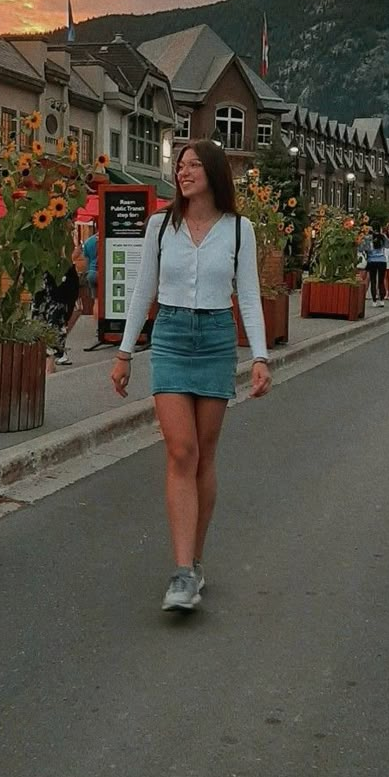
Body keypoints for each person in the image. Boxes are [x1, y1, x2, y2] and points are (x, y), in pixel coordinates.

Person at [111, 139, 271, 613]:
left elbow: (250, 295)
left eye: (194, 165)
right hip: (173, 336)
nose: (184, 172)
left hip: (218, 338)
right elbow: (144, 290)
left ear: (215, 172)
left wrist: (260, 356)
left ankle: (196, 561)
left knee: (204, 456)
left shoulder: (240, 230)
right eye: (180, 166)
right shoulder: (161, 226)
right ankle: (181, 573)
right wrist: (124, 353)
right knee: (181, 451)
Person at [32, 262, 80, 367]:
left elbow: (73, 288)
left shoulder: (63, 264)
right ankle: (52, 359)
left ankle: (50, 365)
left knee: (53, 327)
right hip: (46, 295)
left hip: (58, 297)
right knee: (41, 327)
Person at [365, 224, 388, 306]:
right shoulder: (383, 237)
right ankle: (382, 300)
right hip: (382, 260)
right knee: (381, 281)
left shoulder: (368, 238)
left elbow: (366, 249)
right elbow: (388, 246)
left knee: (373, 280)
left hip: (372, 260)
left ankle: (374, 301)